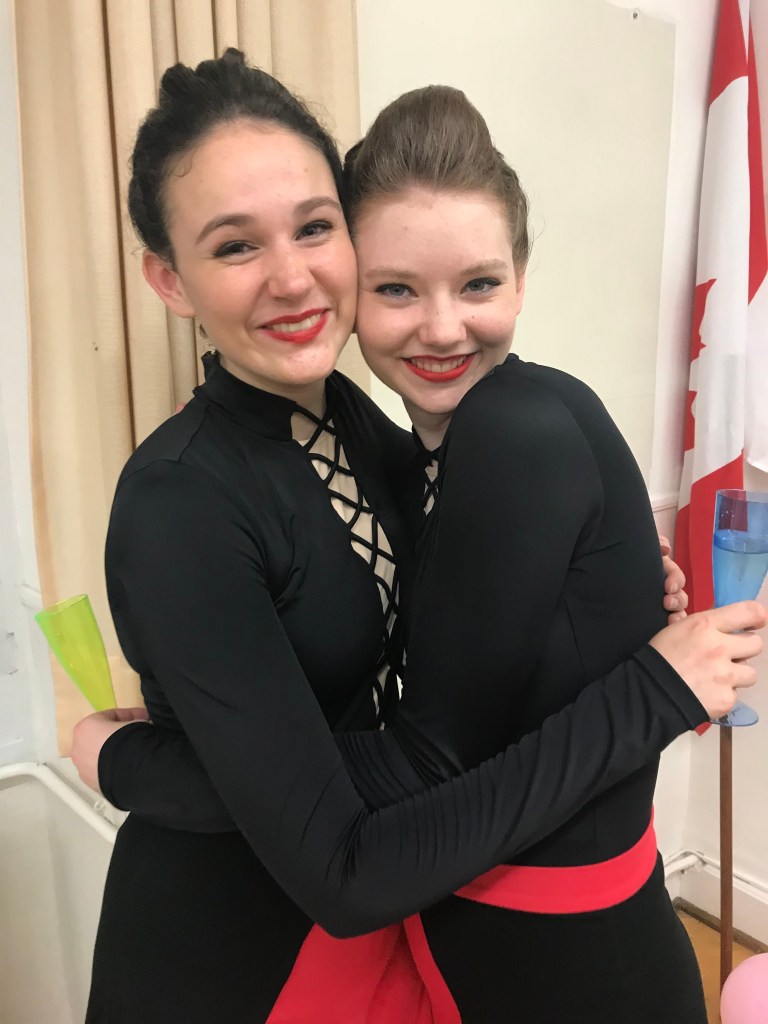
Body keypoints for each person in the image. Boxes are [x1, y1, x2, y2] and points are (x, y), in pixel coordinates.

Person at [73, 52, 763, 1024]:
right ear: (169, 278)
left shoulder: (351, 418)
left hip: (398, 918)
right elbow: (345, 822)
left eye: (314, 227)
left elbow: (465, 581)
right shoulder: (178, 503)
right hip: (240, 952)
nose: (291, 274)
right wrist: (651, 691)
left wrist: (604, 584)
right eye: (234, 246)